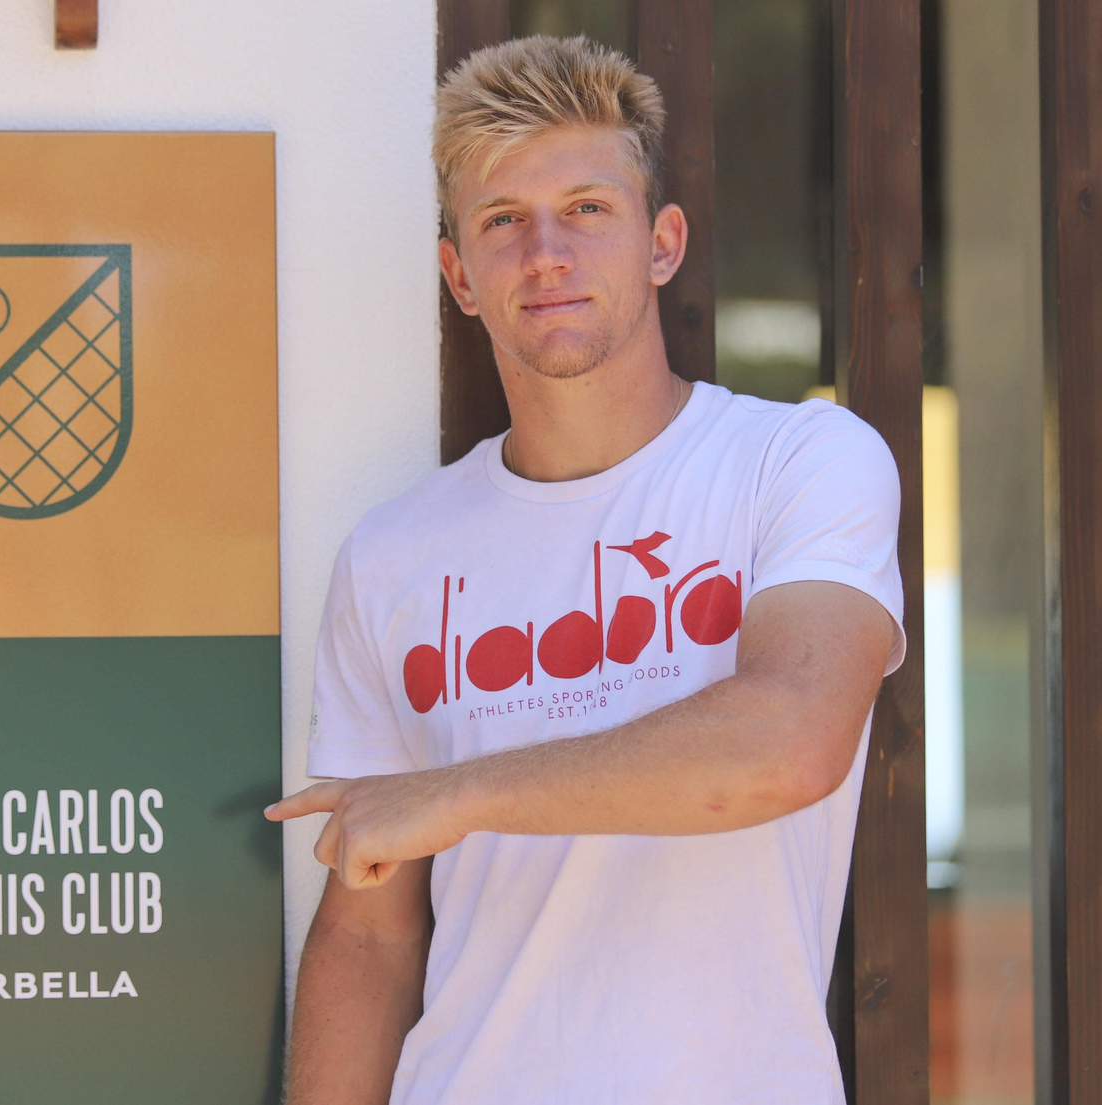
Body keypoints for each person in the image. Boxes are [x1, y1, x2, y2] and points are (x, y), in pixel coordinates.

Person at [266, 34, 906, 1105]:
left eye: (587, 210)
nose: (546, 253)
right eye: (502, 221)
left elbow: (789, 741)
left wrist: (455, 794)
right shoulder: (391, 556)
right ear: (458, 275)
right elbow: (369, 938)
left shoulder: (795, 462)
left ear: (661, 243)